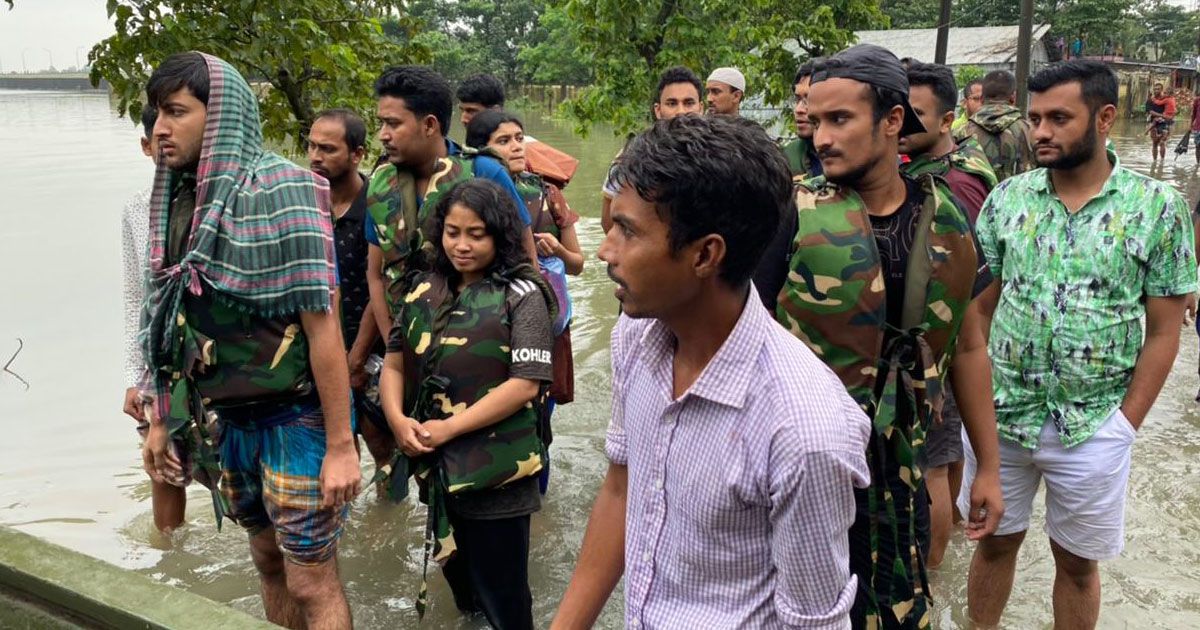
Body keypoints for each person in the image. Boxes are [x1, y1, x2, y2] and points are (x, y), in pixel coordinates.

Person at [552, 113, 870, 629]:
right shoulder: (637, 335)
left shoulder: (804, 433)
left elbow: (815, 621)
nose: (605, 251)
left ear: (705, 254)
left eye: (627, 232)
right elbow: (621, 488)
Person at [767, 44, 1004, 629]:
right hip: (806, 474)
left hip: (904, 472)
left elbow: (970, 346)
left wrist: (989, 469)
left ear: (893, 121)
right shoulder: (789, 211)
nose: (821, 137)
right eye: (815, 120)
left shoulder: (947, 217)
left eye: (840, 119)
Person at [963, 59, 1197, 630]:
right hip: (1002, 419)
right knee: (993, 545)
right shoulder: (1006, 201)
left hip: (1095, 425)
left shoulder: (1157, 209)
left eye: (1059, 118)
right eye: (1035, 117)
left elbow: (1166, 331)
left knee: (1076, 564)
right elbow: (977, 309)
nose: (1040, 131)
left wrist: (1125, 425)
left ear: (1105, 118)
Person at [138, 52, 359, 630]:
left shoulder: (286, 190)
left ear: (221, 118)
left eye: (176, 112)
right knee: (265, 559)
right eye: (156, 114)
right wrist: (162, 418)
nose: (160, 128)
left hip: (296, 418)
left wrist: (341, 445)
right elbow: (166, 323)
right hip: (228, 423)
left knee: (312, 577)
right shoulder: (176, 203)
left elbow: (323, 326)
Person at [380, 179, 556, 629]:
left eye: (476, 234)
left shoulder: (524, 295)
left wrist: (448, 429)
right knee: (465, 595)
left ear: (498, 234)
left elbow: (526, 384)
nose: (461, 245)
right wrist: (398, 420)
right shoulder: (421, 290)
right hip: (438, 471)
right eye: (452, 232)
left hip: (499, 478)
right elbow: (395, 365)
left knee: (507, 603)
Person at [898, 62, 999, 570]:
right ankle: (949, 538)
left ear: (947, 121)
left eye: (916, 115)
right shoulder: (932, 167)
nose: (902, 125)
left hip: (938, 345)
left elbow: (968, 280)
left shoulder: (955, 185)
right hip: (943, 344)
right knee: (943, 457)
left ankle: (931, 573)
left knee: (931, 467)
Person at [364, 65, 536, 346]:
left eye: (393, 124)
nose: (383, 135)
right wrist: (395, 348)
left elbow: (526, 261)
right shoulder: (380, 185)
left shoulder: (484, 173)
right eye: (381, 123)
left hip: (483, 345)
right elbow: (376, 275)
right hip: (409, 346)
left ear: (430, 125)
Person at [466, 109, 584, 492]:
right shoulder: (471, 200)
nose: (516, 146)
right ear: (482, 153)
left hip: (546, 322)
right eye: (503, 141)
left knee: (539, 418)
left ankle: (537, 500)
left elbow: (579, 264)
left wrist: (557, 253)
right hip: (490, 324)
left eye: (519, 137)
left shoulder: (549, 194)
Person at [307, 108, 395, 481]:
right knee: (329, 451)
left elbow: (384, 284)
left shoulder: (378, 206)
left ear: (357, 154)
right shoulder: (304, 206)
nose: (315, 157)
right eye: (311, 147)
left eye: (327, 149)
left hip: (369, 350)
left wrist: (355, 359)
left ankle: (388, 520)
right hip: (318, 349)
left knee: (383, 449)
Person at [122, 103, 187, 533]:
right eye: (158, 139)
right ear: (146, 146)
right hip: (158, 358)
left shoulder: (214, 200)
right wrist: (133, 375)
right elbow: (135, 294)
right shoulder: (136, 209)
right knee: (161, 468)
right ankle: (170, 563)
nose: (168, 144)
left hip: (209, 356)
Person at [600, 66, 704, 234]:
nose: (681, 112)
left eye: (688, 103)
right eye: (672, 103)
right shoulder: (632, 155)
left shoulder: (716, 154)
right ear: (658, 110)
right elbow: (609, 222)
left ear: (701, 108)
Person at [964, 70, 1033, 181]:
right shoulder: (1029, 131)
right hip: (1016, 196)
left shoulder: (961, 131)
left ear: (982, 98)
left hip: (973, 197)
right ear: (1013, 97)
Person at [782, 59, 824, 179]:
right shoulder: (788, 156)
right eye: (797, 100)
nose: (798, 109)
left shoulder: (857, 157)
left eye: (808, 100)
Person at [1145, 82, 1176, 161]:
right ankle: (1154, 161)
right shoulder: (1150, 100)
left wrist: (1169, 117)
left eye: (1158, 89)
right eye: (1155, 89)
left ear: (1162, 90)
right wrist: (1162, 115)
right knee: (1154, 143)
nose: (1156, 91)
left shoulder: (1166, 99)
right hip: (1154, 122)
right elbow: (1150, 111)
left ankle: (1162, 162)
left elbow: (1173, 110)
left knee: (1162, 143)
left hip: (1164, 122)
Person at [1190, 90, 1200, 165]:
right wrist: (1190, 125)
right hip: (1197, 127)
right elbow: (1193, 114)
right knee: (1197, 146)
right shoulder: (1197, 100)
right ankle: (1197, 164)